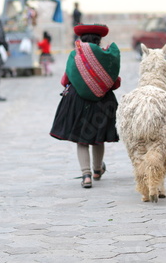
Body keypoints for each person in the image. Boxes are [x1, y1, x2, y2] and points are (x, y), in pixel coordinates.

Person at [50, 24, 121, 189]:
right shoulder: (107, 56)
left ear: (81, 39)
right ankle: (97, 170)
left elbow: (64, 81)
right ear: (99, 40)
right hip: (103, 102)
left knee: (82, 140)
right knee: (98, 136)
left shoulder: (75, 55)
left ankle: (86, 175)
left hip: (78, 101)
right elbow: (115, 82)